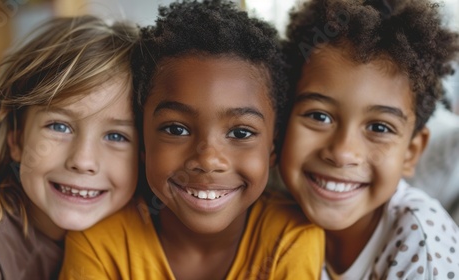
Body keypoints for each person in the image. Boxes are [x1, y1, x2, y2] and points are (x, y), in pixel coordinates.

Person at [59, 1, 324, 279]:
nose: (208, 160)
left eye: (241, 133)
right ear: (143, 140)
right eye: (176, 130)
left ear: (273, 146)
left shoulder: (291, 239)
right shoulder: (99, 245)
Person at [279, 0, 459, 279]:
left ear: (411, 152)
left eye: (379, 127)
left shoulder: (422, 245)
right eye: (319, 116)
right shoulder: (268, 208)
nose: (342, 153)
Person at [0, 16, 139, 279]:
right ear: (16, 139)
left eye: (116, 136)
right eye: (59, 127)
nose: (83, 160)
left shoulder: (143, 233)